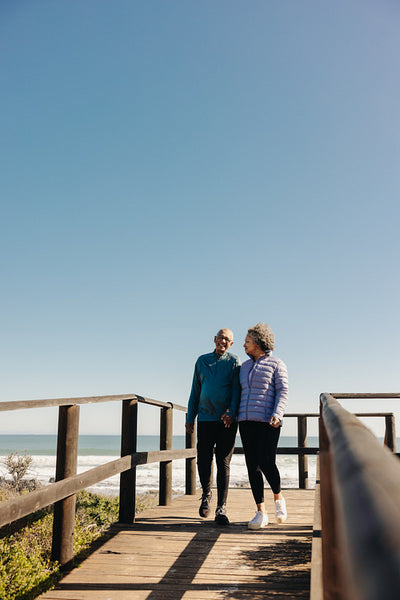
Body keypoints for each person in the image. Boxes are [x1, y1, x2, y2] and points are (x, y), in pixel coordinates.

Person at [186, 328, 241, 526]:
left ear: (231, 344)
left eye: (228, 339)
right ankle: (206, 493)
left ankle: (221, 508)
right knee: (203, 459)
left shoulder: (234, 362)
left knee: (223, 462)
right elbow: (195, 390)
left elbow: (237, 391)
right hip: (205, 419)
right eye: (221, 338)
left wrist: (231, 412)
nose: (223, 341)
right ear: (215, 339)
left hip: (226, 420)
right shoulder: (202, 361)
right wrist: (190, 416)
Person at [237, 323, 288, 529]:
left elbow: (283, 391)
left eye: (247, 341)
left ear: (257, 343)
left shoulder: (277, 364)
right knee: (252, 466)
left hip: (268, 422)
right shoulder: (244, 367)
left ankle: (278, 497)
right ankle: (260, 512)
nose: (244, 345)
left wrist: (277, 414)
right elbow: (238, 393)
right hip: (246, 421)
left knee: (267, 462)